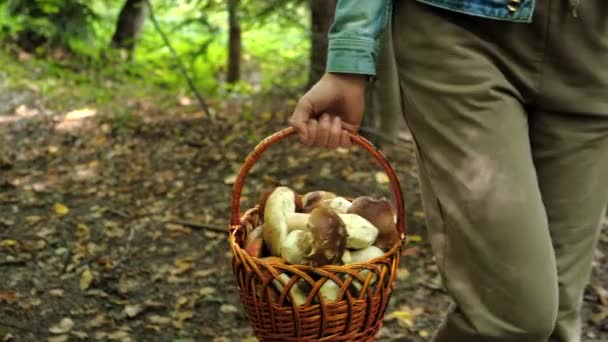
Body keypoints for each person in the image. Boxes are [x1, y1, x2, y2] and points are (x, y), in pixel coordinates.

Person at [288, 1, 608, 341]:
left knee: (558, 315)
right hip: (460, 31)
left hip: (592, 48)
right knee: (512, 315)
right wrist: (349, 56)